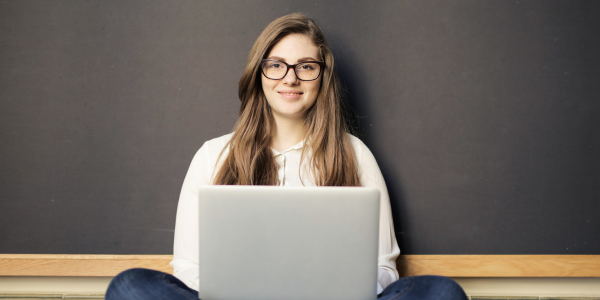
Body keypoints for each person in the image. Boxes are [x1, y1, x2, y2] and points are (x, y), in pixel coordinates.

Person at [106, 13, 468, 300]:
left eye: (305, 66)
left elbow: (384, 269)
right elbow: (188, 266)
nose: (290, 78)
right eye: (276, 64)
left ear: (321, 77)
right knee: (130, 287)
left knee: (440, 292)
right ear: (259, 73)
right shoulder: (213, 155)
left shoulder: (353, 154)